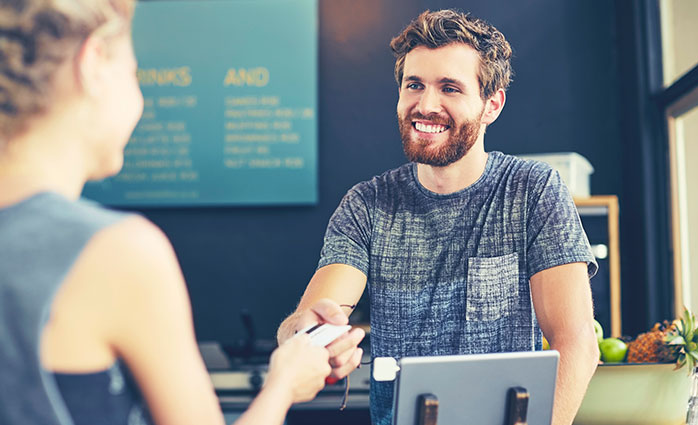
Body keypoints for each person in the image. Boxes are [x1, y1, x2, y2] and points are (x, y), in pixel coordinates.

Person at [0, 1, 362, 424]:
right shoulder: (116, 252)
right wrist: (283, 385)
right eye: (133, 73)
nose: (138, 96)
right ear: (93, 63)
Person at [278, 9, 600, 425]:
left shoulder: (533, 191)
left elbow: (576, 344)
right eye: (415, 85)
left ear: (492, 104)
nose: (426, 105)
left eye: (450, 88)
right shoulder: (367, 205)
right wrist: (305, 332)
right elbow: (309, 321)